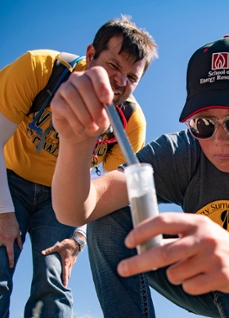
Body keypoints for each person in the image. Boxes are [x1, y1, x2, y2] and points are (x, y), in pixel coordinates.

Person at [51, 35, 229, 318]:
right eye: (204, 124)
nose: (221, 140)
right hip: (190, 278)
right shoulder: (180, 153)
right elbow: (78, 210)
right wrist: (75, 144)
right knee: (110, 217)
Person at [0, 15, 157, 318]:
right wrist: (4, 212)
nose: (120, 82)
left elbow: (99, 191)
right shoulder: (38, 69)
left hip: (59, 197)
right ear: (90, 55)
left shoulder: (130, 127)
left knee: (54, 279)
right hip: (8, 178)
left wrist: (78, 238)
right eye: (113, 66)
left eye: (132, 77)